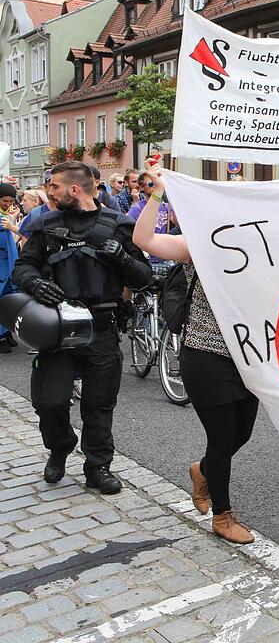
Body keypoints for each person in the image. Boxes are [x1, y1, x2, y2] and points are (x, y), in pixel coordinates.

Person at [131, 161, 257, 543]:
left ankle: (202, 471)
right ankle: (223, 516)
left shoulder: (266, 247)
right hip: (205, 354)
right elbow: (145, 240)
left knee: (243, 434)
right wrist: (157, 193)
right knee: (221, 440)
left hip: (247, 357)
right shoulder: (199, 244)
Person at [13, 161, 153, 495]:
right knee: (50, 401)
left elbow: (144, 277)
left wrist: (121, 256)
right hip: (56, 328)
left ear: (74, 190)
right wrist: (34, 283)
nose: (50, 192)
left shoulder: (119, 225)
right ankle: (60, 446)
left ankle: (98, 467)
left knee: (99, 402)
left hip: (101, 326)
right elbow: (22, 268)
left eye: (55, 187)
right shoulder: (45, 225)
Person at [0, 183, 19, 352]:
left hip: (8, 261)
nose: (8, 204)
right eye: (5, 201)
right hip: (1, 262)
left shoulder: (8, 213)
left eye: (11, 201)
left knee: (8, 296)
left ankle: (6, 332)